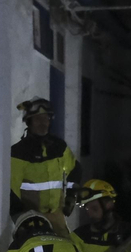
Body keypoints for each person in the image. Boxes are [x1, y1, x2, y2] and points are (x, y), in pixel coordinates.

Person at [8, 97, 79, 236]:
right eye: (38, 119)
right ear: (29, 122)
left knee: (66, 247)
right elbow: (12, 190)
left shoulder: (59, 147)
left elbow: (75, 170)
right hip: (32, 219)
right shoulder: (19, 152)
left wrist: (71, 196)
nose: (43, 123)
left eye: (46, 118)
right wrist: (21, 219)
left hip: (56, 217)